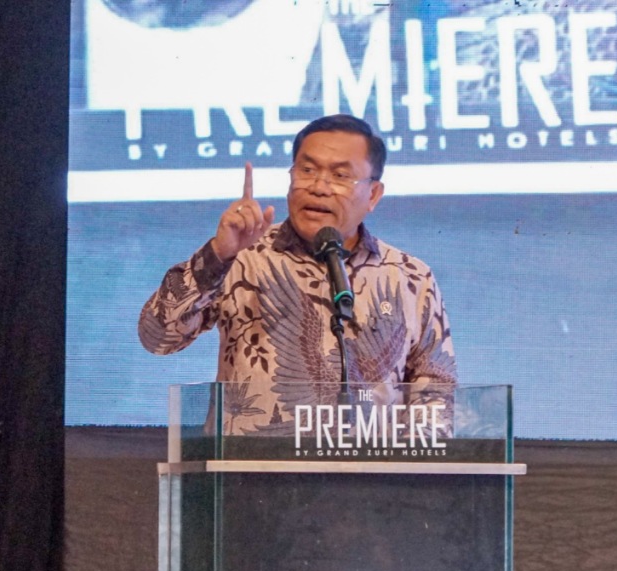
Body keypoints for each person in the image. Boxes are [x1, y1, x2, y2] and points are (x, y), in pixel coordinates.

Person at [138, 113, 457, 436]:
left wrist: (402, 462)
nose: (318, 187)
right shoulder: (242, 258)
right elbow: (156, 337)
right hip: (249, 466)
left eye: (340, 175)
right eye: (307, 170)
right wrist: (217, 255)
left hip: (370, 467)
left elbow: (436, 393)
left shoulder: (410, 277)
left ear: (373, 194)